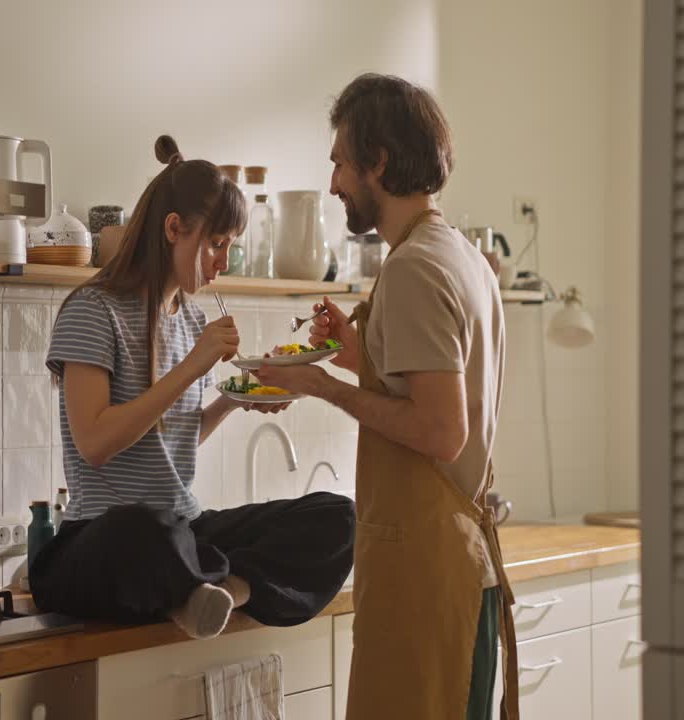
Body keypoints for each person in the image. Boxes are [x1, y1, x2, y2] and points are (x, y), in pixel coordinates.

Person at [254, 75, 518, 719]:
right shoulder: (461, 257)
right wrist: (357, 353)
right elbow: (430, 385)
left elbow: (441, 431)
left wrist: (322, 385)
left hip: (428, 578)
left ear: (378, 161)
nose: (334, 184)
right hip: (448, 568)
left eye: (341, 163)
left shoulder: (414, 268)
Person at [31, 135, 355, 640]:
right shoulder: (92, 310)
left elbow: (173, 436)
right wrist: (193, 365)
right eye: (216, 244)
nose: (223, 262)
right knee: (144, 527)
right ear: (173, 229)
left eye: (230, 246)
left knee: (338, 517)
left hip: (182, 529)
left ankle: (220, 591)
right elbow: (94, 443)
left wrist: (235, 399)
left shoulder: (190, 320)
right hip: (102, 539)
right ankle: (193, 582)